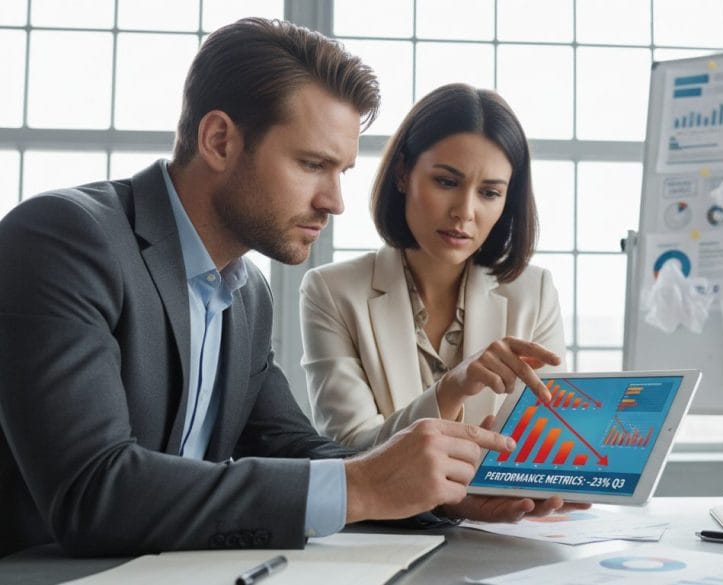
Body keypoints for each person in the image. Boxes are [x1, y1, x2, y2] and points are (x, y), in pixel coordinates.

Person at [0, 18, 578, 559]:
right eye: (311, 165)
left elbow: (302, 452)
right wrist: (363, 486)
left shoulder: (246, 291)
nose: (335, 201)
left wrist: (440, 492)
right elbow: (91, 491)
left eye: (342, 172)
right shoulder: (64, 239)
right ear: (220, 140)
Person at [300, 83, 565, 449]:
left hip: (505, 509)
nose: (464, 211)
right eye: (446, 181)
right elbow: (351, 453)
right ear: (402, 174)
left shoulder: (533, 293)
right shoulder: (332, 291)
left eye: (489, 193)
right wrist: (451, 390)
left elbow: (547, 447)